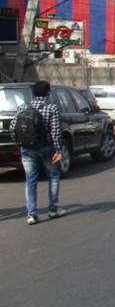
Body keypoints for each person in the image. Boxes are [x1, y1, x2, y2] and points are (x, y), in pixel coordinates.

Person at [9, 80, 65, 225]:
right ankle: (53, 209)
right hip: (47, 148)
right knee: (53, 176)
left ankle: (32, 215)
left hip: (27, 149)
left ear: (33, 93)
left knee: (30, 181)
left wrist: (20, 143)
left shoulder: (23, 107)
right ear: (48, 92)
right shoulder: (52, 108)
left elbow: (13, 128)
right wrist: (58, 149)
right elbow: (56, 132)